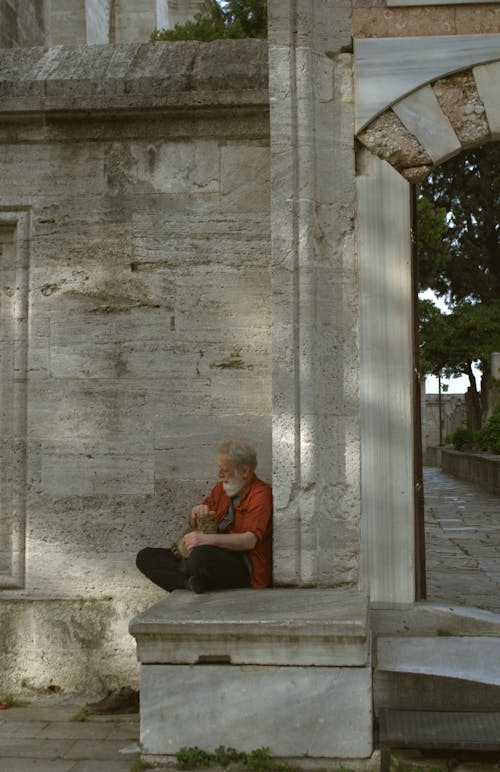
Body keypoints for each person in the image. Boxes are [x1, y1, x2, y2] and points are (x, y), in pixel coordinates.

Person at [136, 439, 273, 594]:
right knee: (145, 557)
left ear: (245, 471)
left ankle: (189, 571)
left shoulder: (261, 494)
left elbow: (249, 541)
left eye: (225, 470)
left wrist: (205, 540)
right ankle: (189, 582)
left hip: (240, 564)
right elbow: (193, 521)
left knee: (199, 557)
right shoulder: (221, 489)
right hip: (209, 553)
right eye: (219, 469)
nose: (219, 474)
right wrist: (195, 513)